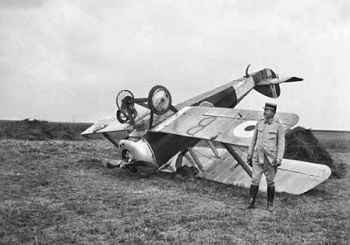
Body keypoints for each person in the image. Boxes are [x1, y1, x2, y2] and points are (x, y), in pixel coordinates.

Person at [246, 102, 285, 212]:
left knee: (270, 181)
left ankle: (270, 204)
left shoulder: (278, 126)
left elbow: (281, 143)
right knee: (254, 180)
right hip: (257, 156)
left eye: (267, 110)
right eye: (264, 110)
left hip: (270, 158)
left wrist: (279, 158)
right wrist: (249, 154)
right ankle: (251, 202)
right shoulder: (259, 123)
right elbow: (253, 139)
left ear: (273, 112)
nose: (264, 112)